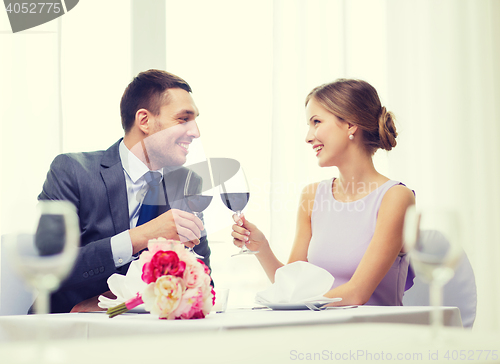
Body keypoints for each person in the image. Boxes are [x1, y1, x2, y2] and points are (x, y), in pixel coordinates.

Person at [38, 69, 211, 313]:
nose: (195, 132)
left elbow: (203, 280)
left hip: (145, 333)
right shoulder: (72, 171)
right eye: (183, 119)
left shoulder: (187, 182)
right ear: (144, 121)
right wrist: (139, 237)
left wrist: (118, 306)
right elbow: (48, 267)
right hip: (65, 330)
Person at [232, 79, 415, 306]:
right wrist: (261, 248)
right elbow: (291, 286)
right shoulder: (312, 196)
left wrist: (292, 303)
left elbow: (358, 293)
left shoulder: (396, 197)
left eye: (316, 122)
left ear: (351, 124)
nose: (308, 137)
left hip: (375, 335)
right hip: (321, 332)